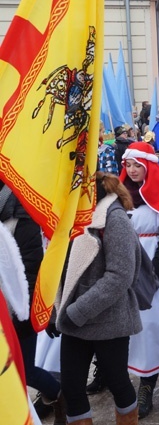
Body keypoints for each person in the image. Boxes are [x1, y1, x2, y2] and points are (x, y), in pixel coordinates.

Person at [56, 172, 142, 425]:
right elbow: (63, 270)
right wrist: (55, 310)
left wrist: (76, 312)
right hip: (74, 319)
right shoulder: (72, 215)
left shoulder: (113, 218)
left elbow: (119, 276)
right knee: (72, 388)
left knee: (118, 383)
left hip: (108, 320)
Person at [120, 142, 159, 419]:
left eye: (138, 165)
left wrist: (153, 279)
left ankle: (150, 381)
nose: (133, 171)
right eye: (129, 165)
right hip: (126, 267)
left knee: (156, 323)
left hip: (154, 267)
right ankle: (150, 372)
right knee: (134, 328)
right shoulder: (119, 196)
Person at [1, 180, 65, 424]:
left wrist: (20, 313)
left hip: (19, 307)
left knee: (23, 369)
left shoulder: (22, 216)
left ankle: (59, 394)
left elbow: (31, 269)